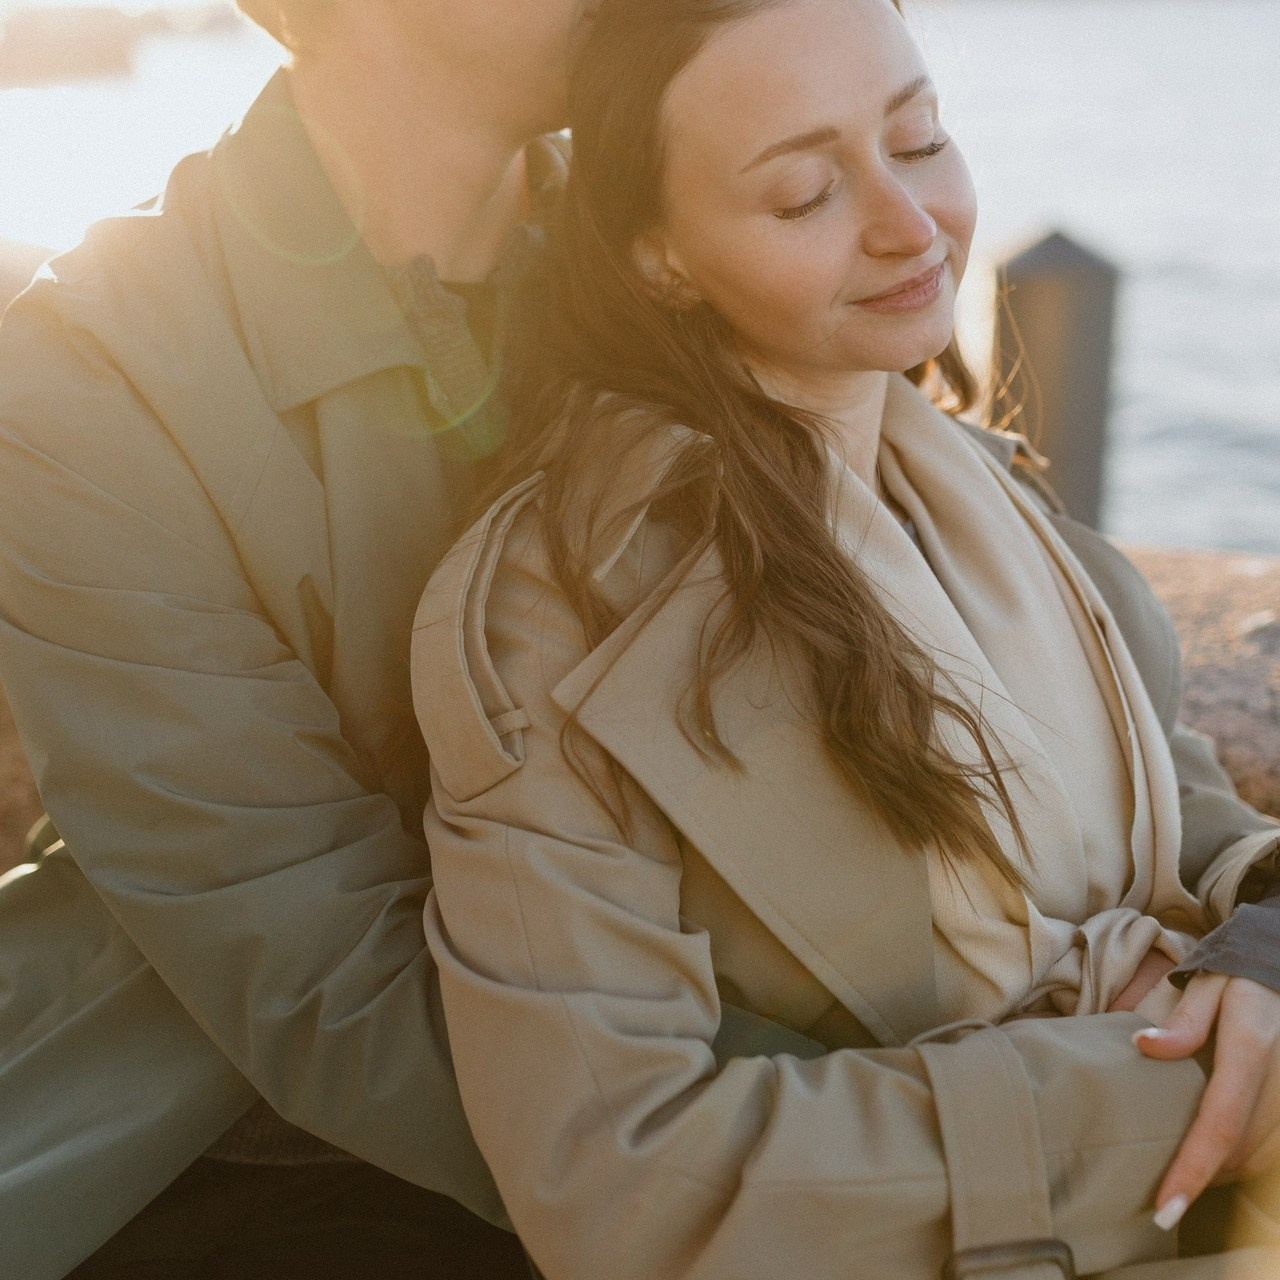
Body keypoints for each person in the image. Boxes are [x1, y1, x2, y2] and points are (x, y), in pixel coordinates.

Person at [411, 0, 1280, 1276]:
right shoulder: (565, 607)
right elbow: (621, 1181)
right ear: (656, 251)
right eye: (805, 192)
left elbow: (1196, 826)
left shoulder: (979, 486)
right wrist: (1175, 1098)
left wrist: (1257, 949)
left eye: (919, 139)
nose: (907, 223)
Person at [0, 0, 596, 1274]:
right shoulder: (87, 379)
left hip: (685, 1083)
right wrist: (898, 1137)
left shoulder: (702, 234)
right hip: (228, 1142)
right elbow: (328, 987)